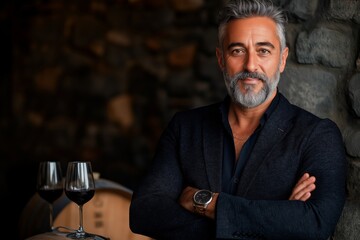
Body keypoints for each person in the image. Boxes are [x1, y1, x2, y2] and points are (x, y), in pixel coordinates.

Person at [129, 0, 347, 239]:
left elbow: (315, 223)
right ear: (221, 59)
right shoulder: (185, 128)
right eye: (237, 50)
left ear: (282, 59)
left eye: (263, 50)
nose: (250, 64)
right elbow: (144, 212)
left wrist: (207, 203)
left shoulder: (317, 136)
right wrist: (274, 222)